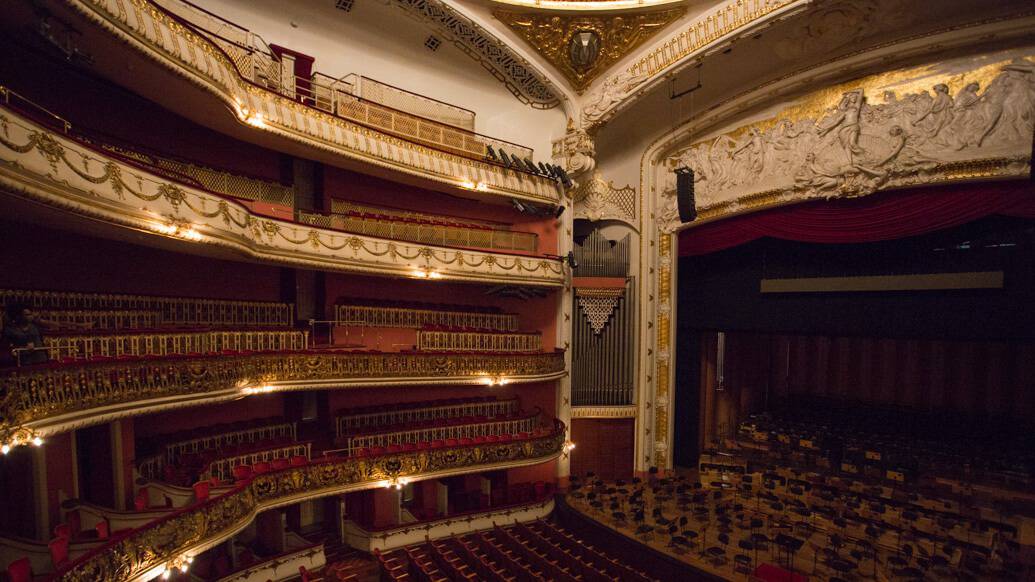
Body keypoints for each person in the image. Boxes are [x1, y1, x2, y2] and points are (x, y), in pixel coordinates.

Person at [1, 302, 92, 365]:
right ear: (18, 316)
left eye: (30, 314)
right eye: (27, 315)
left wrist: (80, 325)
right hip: (23, 361)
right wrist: (22, 350)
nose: (31, 316)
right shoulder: (10, 330)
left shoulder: (34, 323)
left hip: (41, 358)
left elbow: (58, 324)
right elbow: (6, 348)